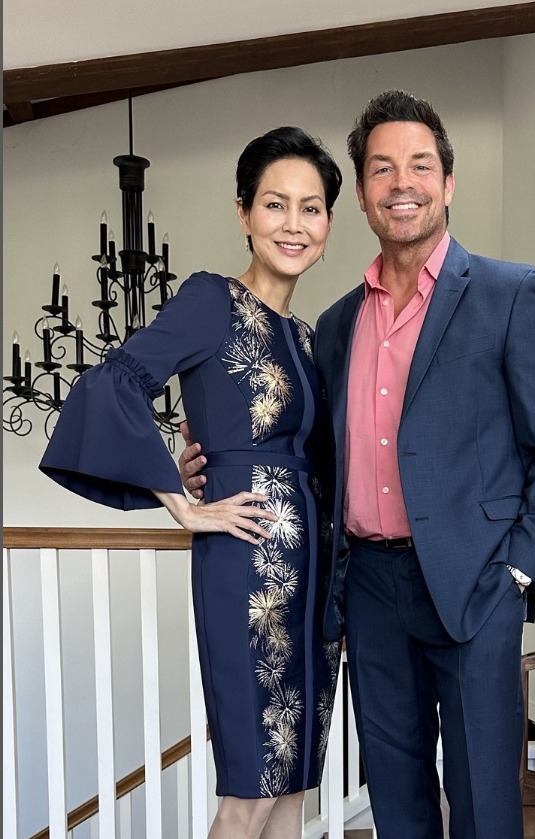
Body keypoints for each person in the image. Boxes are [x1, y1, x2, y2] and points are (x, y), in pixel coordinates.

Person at [179, 91, 535, 839]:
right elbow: (305, 452)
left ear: (447, 183)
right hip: (367, 589)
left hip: (476, 584)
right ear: (363, 197)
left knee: (484, 803)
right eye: (382, 168)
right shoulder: (334, 325)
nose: (403, 182)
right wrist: (209, 461)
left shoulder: (510, 293)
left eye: (421, 165)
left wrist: (518, 574)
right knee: (397, 802)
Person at [40, 126, 344, 839]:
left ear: (329, 221)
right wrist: (180, 504)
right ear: (244, 212)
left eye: (311, 207)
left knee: (294, 788)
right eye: (275, 205)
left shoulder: (306, 338)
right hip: (245, 563)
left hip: (316, 586)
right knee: (248, 794)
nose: (293, 224)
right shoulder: (212, 299)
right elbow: (114, 381)